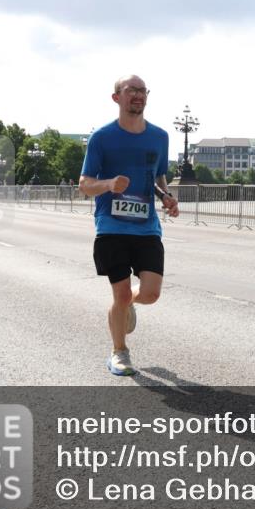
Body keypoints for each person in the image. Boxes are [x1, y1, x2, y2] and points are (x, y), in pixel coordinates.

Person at [79, 74, 179, 376]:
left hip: (147, 227)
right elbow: (84, 184)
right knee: (119, 295)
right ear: (117, 98)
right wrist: (109, 184)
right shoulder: (102, 137)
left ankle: (128, 305)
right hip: (111, 226)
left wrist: (166, 197)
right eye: (130, 90)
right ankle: (119, 352)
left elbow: (158, 178)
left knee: (150, 293)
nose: (137, 95)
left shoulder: (160, 137)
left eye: (142, 90)